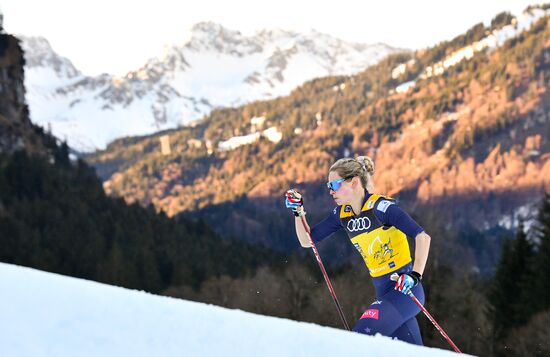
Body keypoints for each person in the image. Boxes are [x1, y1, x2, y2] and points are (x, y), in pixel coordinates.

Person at [285, 156, 431, 345]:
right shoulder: (342, 214)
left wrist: (415, 275)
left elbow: (422, 237)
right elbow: (307, 241)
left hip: (405, 291)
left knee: (358, 341)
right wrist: (298, 212)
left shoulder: (381, 208)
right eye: (328, 186)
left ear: (354, 182)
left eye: (335, 185)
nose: (330, 191)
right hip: (384, 293)